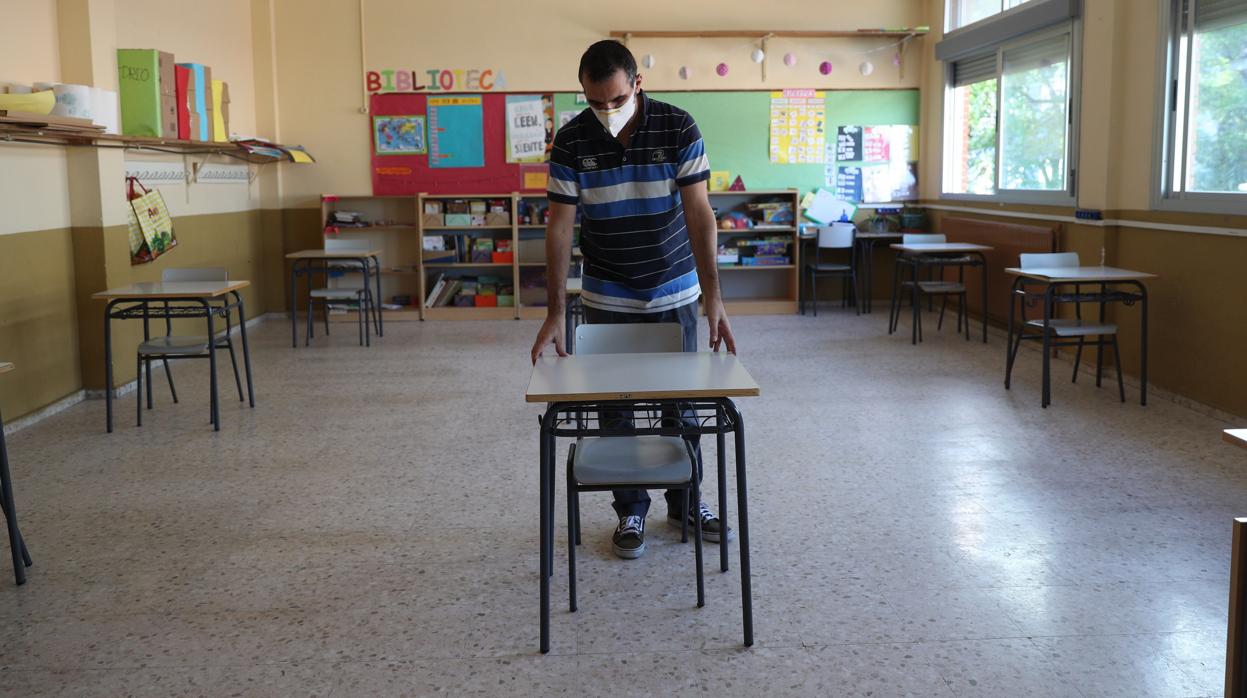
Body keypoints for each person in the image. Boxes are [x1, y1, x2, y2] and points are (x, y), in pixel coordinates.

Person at [529, 39, 737, 560]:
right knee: (615, 414)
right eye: (594, 102)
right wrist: (556, 311)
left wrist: (715, 299)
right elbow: (559, 227)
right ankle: (631, 512)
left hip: (675, 291)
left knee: (682, 409)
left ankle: (686, 502)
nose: (606, 112)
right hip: (607, 294)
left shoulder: (677, 126)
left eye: (615, 99)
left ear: (637, 84)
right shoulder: (573, 140)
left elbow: (700, 214)